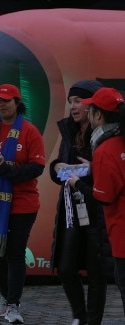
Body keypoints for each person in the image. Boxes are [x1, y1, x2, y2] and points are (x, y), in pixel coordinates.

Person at [0, 83, 45, 324]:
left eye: (6, 100)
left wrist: (6, 169)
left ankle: (14, 305)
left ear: (17, 103)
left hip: (22, 204)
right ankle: (5, 299)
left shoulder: (29, 131)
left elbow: (37, 167)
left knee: (15, 254)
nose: (1, 105)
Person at [49, 80, 110, 325]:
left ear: (92, 105)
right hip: (71, 209)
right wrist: (58, 167)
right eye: (70, 102)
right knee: (65, 267)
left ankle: (92, 321)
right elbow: (56, 172)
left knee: (96, 273)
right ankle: (80, 316)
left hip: (97, 210)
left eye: (78, 102)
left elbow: (112, 171)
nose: (73, 107)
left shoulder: (107, 134)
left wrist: (91, 170)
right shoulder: (68, 131)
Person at [79, 87, 125, 316]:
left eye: (90, 109)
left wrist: (77, 183)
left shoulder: (105, 148)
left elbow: (103, 196)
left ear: (99, 115)